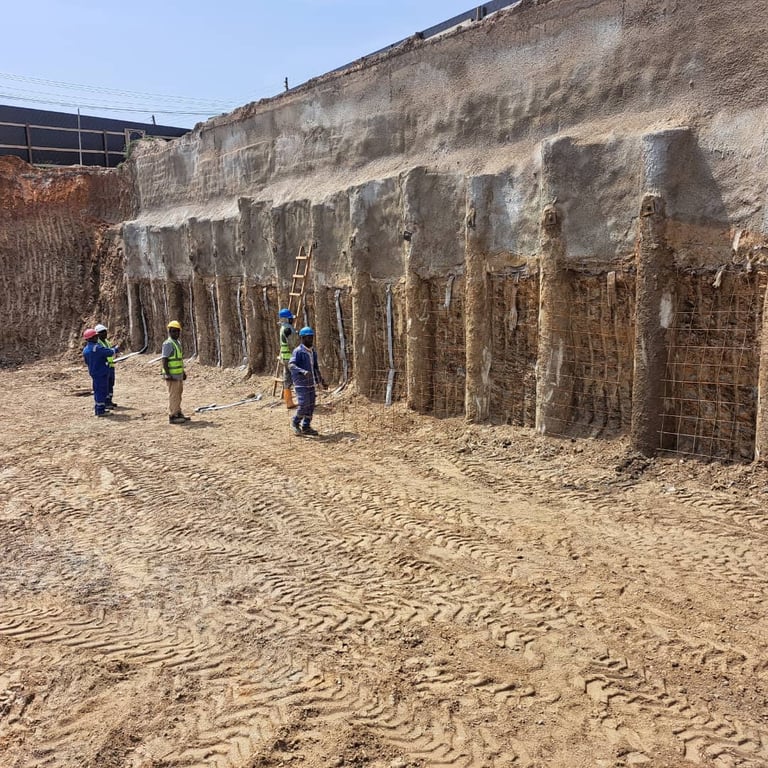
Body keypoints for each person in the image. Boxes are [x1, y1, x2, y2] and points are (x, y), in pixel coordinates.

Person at [288, 326, 327, 436]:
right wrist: (302, 371)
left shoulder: (313, 352)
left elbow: (315, 368)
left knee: (311, 405)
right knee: (303, 404)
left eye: (311, 337)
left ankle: (306, 426)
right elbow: (291, 365)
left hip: (311, 383)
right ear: (302, 338)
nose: (310, 340)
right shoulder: (298, 351)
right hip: (301, 383)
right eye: (308, 338)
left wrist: (321, 381)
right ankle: (295, 423)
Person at [82, 328, 116, 417]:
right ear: (92, 338)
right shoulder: (96, 348)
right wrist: (115, 349)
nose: (97, 338)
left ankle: (100, 408)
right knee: (101, 391)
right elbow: (109, 352)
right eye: (96, 336)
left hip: (94, 372)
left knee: (98, 390)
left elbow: (87, 362)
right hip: (101, 372)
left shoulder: (85, 349)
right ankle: (100, 411)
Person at [162, 320, 190, 424]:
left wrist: (183, 372)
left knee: (178, 394)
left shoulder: (177, 343)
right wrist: (167, 373)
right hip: (172, 375)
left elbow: (179, 360)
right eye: (174, 331)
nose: (176, 333)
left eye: (178, 331)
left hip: (178, 374)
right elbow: (164, 359)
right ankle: (173, 415)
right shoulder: (168, 343)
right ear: (169, 332)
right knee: (174, 395)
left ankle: (178, 412)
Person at [278, 308, 298, 409]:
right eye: (290, 318)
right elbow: (292, 345)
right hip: (290, 358)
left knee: (287, 380)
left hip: (284, 358)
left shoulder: (282, 328)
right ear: (286, 319)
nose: (292, 320)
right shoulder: (288, 329)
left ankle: (289, 402)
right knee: (299, 378)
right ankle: (304, 401)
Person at [94, 323, 118, 408]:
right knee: (105, 385)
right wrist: (114, 350)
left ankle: (109, 401)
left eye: (105, 331)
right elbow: (106, 352)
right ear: (98, 334)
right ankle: (105, 402)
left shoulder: (106, 342)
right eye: (102, 332)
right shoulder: (98, 343)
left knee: (110, 384)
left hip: (110, 366)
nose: (105, 333)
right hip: (104, 366)